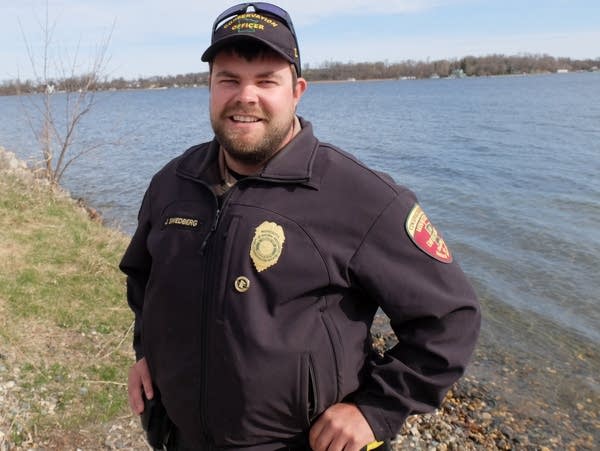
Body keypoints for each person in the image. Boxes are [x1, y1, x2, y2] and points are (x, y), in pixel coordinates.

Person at [120, 3, 481, 450]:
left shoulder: (361, 197)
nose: (245, 96)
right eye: (228, 79)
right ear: (210, 89)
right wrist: (145, 354)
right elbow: (145, 282)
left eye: (266, 80)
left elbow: (450, 317)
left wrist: (376, 410)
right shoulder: (172, 184)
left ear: (297, 91)